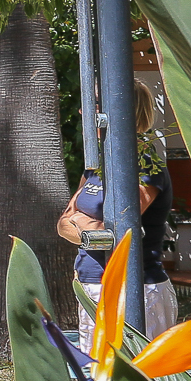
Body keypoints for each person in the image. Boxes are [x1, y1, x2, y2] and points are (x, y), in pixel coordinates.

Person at [57, 91, 176, 350]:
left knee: (142, 380)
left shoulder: (146, 164)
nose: (82, 113)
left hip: (136, 289)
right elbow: (63, 222)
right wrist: (92, 231)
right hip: (91, 285)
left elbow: (120, 229)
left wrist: (82, 225)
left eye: (94, 105)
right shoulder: (96, 164)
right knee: (98, 379)